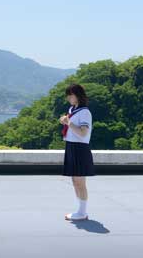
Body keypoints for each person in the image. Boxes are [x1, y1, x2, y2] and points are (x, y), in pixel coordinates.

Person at [60, 83, 95, 221]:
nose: (68, 97)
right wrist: (66, 121)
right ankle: (80, 210)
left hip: (80, 147)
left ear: (78, 95)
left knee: (80, 182)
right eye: (68, 95)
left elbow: (83, 132)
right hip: (71, 146)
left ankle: (82, 212)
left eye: (71, 95)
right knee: (75, 181)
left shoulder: (85, 112)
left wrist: (68, 123)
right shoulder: (72, 109)